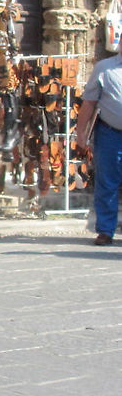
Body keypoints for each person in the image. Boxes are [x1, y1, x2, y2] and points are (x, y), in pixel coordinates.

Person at [76, 41, 122, 246]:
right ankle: (105, 230)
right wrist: (80, 134)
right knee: (107, 183)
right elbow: (89, 102)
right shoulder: (104, 68)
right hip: (110, 133)